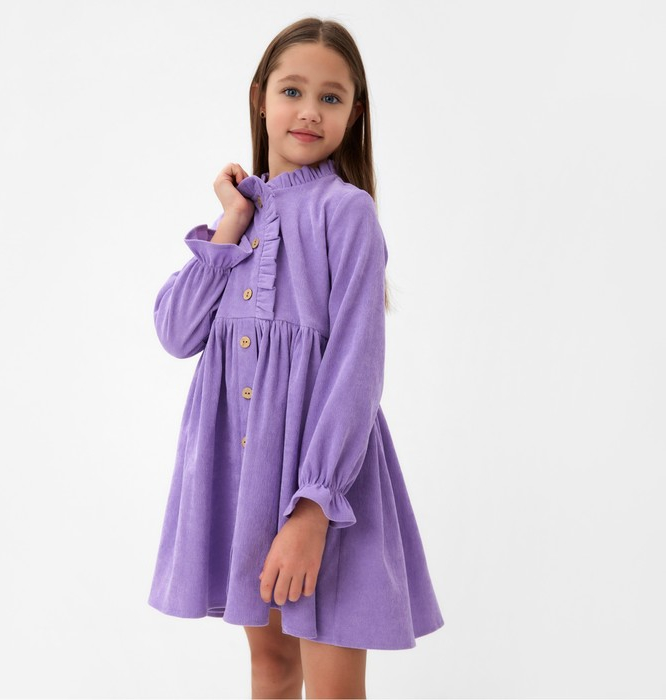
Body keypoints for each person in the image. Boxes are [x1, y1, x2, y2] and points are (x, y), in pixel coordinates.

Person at [147, 16, 445, 699]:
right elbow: (176, 332)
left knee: (333, 687)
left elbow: (356, 369)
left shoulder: (347, 213)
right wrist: (230, 221)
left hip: (328, 491)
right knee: (273, 668)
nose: (309, 110)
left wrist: (313, 510)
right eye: (292, 91)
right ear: (260, 98)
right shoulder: (241, 220)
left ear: (354, 114)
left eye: (331, 97)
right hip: (247, 483)